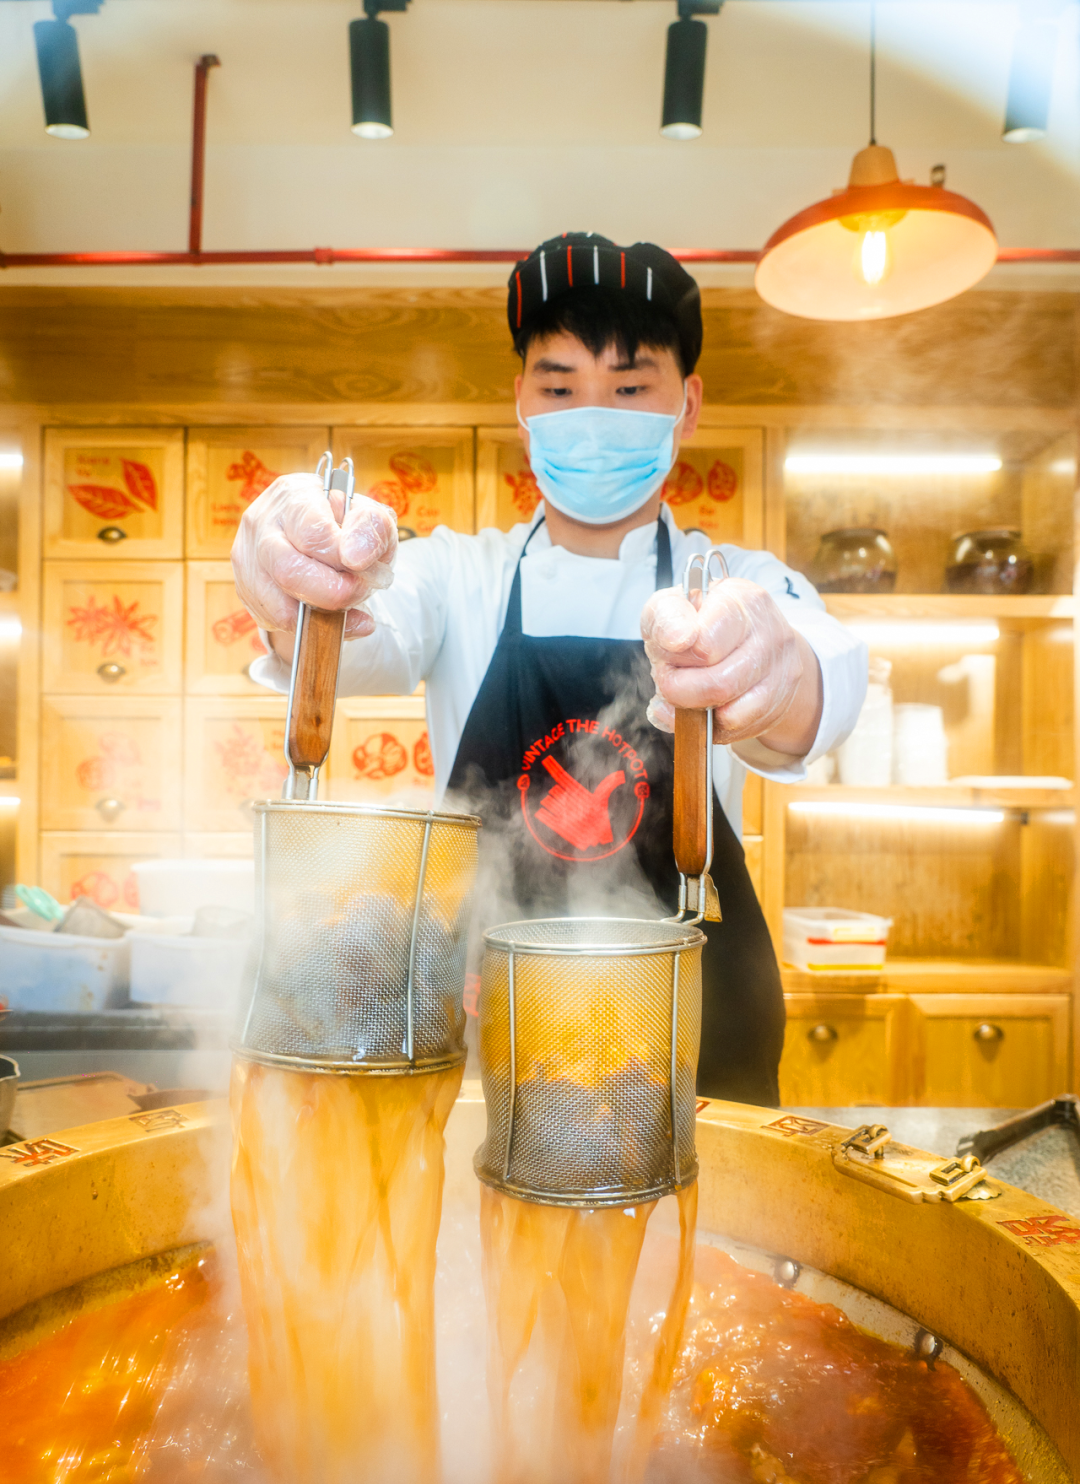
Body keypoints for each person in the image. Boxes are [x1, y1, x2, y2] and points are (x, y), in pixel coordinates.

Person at [233, 232, 867, 1104]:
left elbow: (823, 677)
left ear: (687, 405)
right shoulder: (459, 574)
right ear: (522, 404)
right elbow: (363, 633)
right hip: (485, 1033)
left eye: (630, 388)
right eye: (561, 387)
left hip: (678, 1044)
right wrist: (297, 593)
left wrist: (775, 671)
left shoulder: (735, 584)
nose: (593, 414)